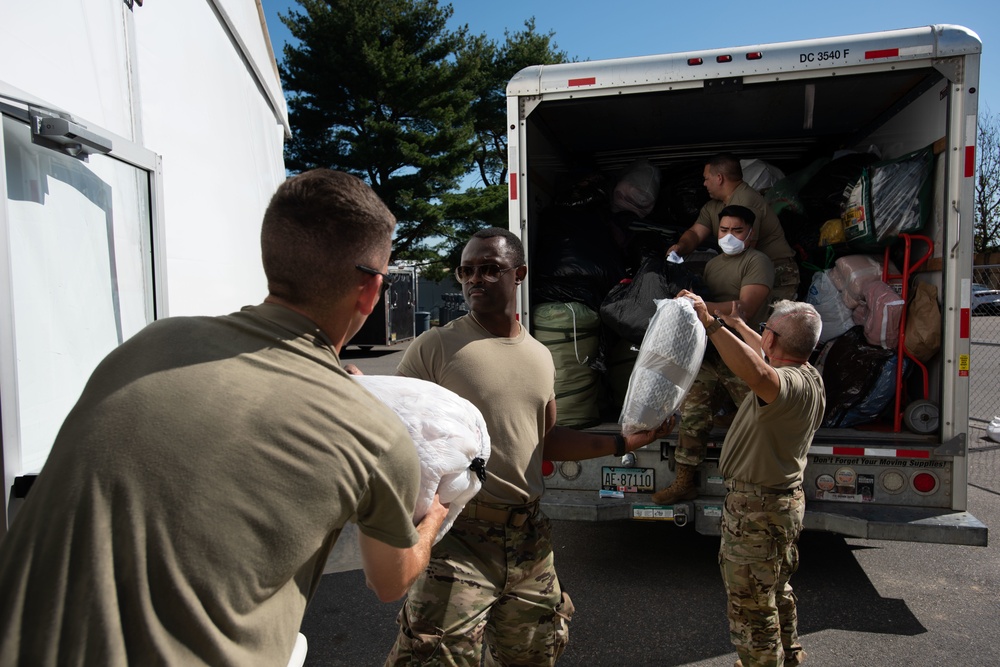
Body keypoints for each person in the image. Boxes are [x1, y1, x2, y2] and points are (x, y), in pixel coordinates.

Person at [0, 170, 448, 665]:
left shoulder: (149, 344)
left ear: (272, 260)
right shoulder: (374, 433)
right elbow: (389, 582)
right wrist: (432, 522)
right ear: (371, 289)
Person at [384, 227, 673, 666]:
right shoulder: (437, 346)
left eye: (489, 269)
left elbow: (546, 440)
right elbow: (396, 429)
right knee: (434, 656)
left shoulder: (539, 354)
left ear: (518, 274)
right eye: (466, 270)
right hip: (460, 537)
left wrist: (624, 441)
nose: (474, 279)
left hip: (529, 540)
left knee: (536, 655)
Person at [682, 294, 824, 667]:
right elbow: (763, 355)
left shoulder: (780, 384)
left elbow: (758, 371)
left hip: (757, 511)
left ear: (772, 339)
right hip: (780, 504)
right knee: (774, 590)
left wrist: (711, 325)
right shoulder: (809, 375)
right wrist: (738, 324)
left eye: (766, 331)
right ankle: (789, 656)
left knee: (752, 609)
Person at [652, 205, 773, 505]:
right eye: (724, 230)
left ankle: (761, 487)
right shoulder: (713, 264)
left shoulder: (757, 262)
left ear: (751, 234)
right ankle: (684, 481)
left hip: (742, 352)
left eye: (737, 230)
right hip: (710, 352)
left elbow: (744, 309)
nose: (729, 236)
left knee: (759, 418)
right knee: (693, 414)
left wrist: (699, 306)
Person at [667, 153, 799, 302]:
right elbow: (696, 233)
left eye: (706, 179)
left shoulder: (746, 200)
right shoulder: (713, 206)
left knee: (768, 317)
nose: (704, 184)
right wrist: (680, 247)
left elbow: (746, 250)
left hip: (776, 272)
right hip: (747, 272)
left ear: (719, 178)